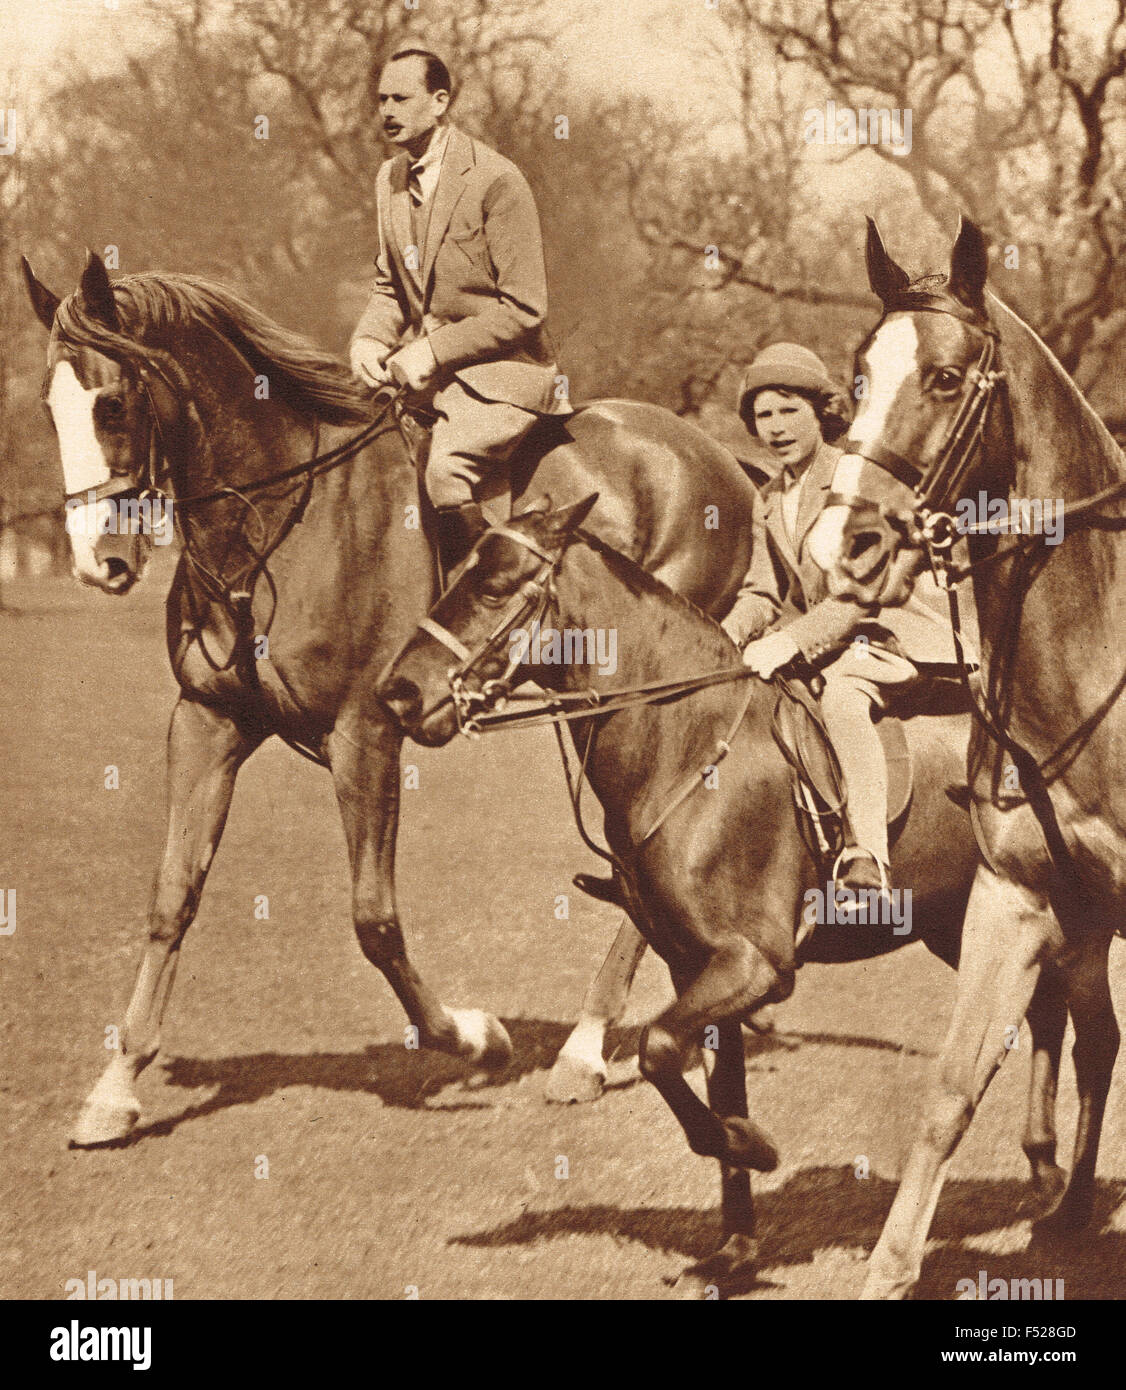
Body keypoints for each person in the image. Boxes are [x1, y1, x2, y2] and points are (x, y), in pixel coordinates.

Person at [722, 343, 961, 906]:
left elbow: (858, 596)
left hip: (887, 632)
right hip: (824, 643)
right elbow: (763, 590)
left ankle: (867, 855)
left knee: (843, 698)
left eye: (789, 410)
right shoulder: (767, 499)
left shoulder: (855, 482)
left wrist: (789, 639)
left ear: (820, 411)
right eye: (764, 415)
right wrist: (726, 638)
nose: (776, 427)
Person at [349, 46, 568, 575]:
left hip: (505, 377)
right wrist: (370, 340)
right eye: (381, 99)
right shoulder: (389, 181)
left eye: (401, 98)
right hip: (429, 377)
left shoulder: (497, 180)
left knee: (443, 471)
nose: (387, 111)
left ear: (440, 101)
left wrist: (431, 349)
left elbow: (524, 308)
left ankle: (490, 608)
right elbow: (390, 286)